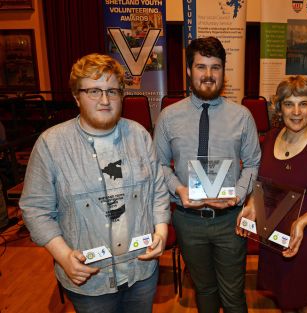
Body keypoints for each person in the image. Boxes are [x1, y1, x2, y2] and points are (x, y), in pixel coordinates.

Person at [19, 53, 170, 313]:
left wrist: (161, 230)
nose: (104, 100)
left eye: (112, 91)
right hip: (90, 279)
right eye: (94, 91)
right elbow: (35, 209)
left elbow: (158, 191)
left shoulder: (139, 135)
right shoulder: (51, 144)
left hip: (141, 270)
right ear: (77, 97)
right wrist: (63, 256)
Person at [155, 36, 261, 313]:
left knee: (233, 293)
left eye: (216, 67)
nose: (209, 75)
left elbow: (253, 163)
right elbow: (159, 165)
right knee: (204, 290)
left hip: (230, 220)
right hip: (188, 221)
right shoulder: (168, 116)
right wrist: (179, 189)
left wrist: (238, 195)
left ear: (224, 71)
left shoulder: (242, 116)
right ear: (189, 71)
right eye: (201, 67)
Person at [238, 76, 307, 313]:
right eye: (289, 104)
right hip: (273, 232)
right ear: (279, 107)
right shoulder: (271, 138)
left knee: (302, 299)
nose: (296, 112)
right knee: (282, 295)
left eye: (303, 103)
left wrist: (302, 222)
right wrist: (252, 205)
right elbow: (262, 182)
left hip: (304, 237)